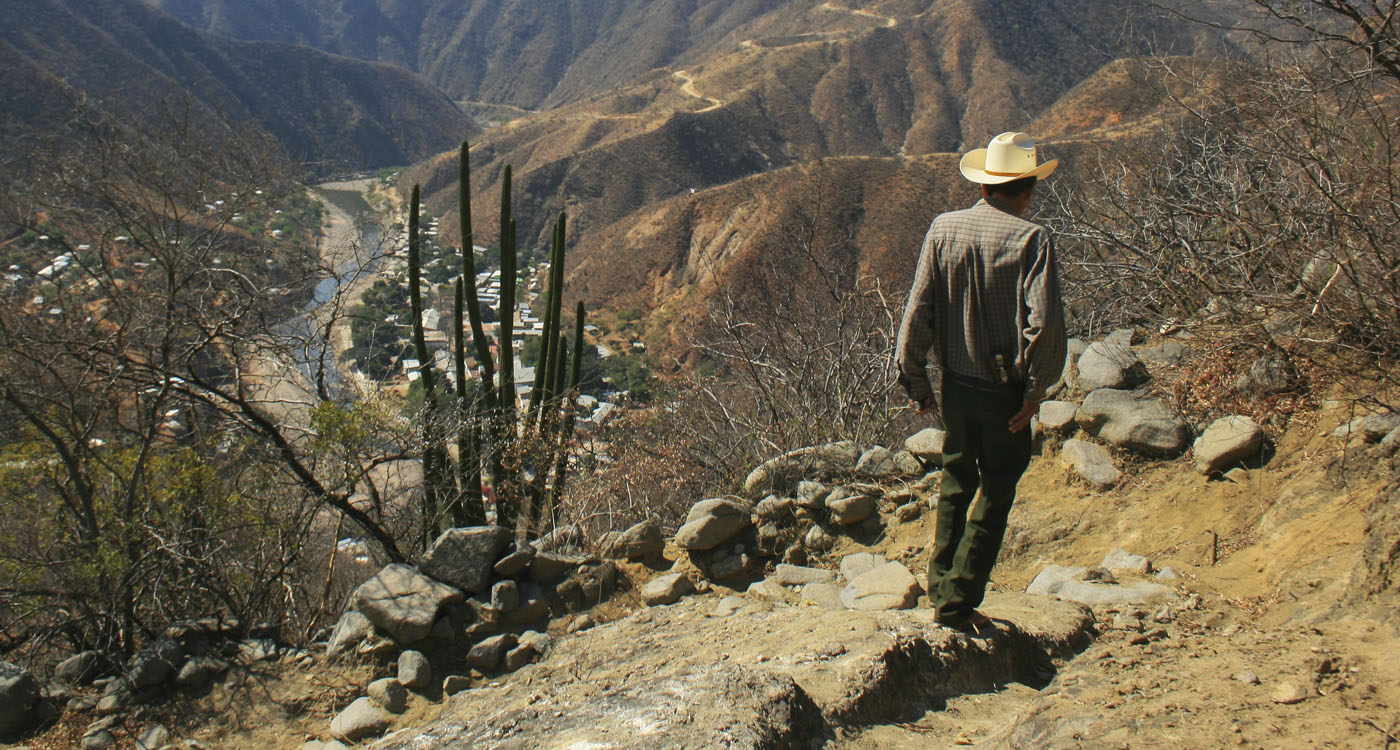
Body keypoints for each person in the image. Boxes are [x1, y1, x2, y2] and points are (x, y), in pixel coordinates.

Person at [895, 131, 1067, 631]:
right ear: (1028, 187)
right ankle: (958, 598)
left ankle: (939, 579)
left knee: (955, 482)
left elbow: (918, 309)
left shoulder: (943, 229)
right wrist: (1035, 392)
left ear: (987, 183)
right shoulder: (1031, 240)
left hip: (955, 388)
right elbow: (1044, 325)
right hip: (1003, 392)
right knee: (996, 490)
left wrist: (915, 380)